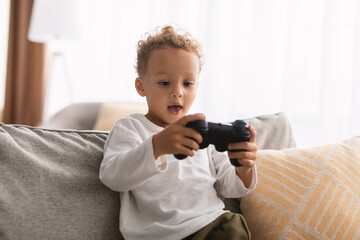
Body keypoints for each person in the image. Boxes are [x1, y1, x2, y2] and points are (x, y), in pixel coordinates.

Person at [99, 25, 258, 240]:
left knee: (233, 227)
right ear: (141, 86)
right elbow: (113, 176)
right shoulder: (130, 127)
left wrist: (244, 167)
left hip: (209, 225)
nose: (178, 92)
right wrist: (157, 146)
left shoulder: (205, 130)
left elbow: (230, 188)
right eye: (165, 83)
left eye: (188, 83)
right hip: (156, 235)